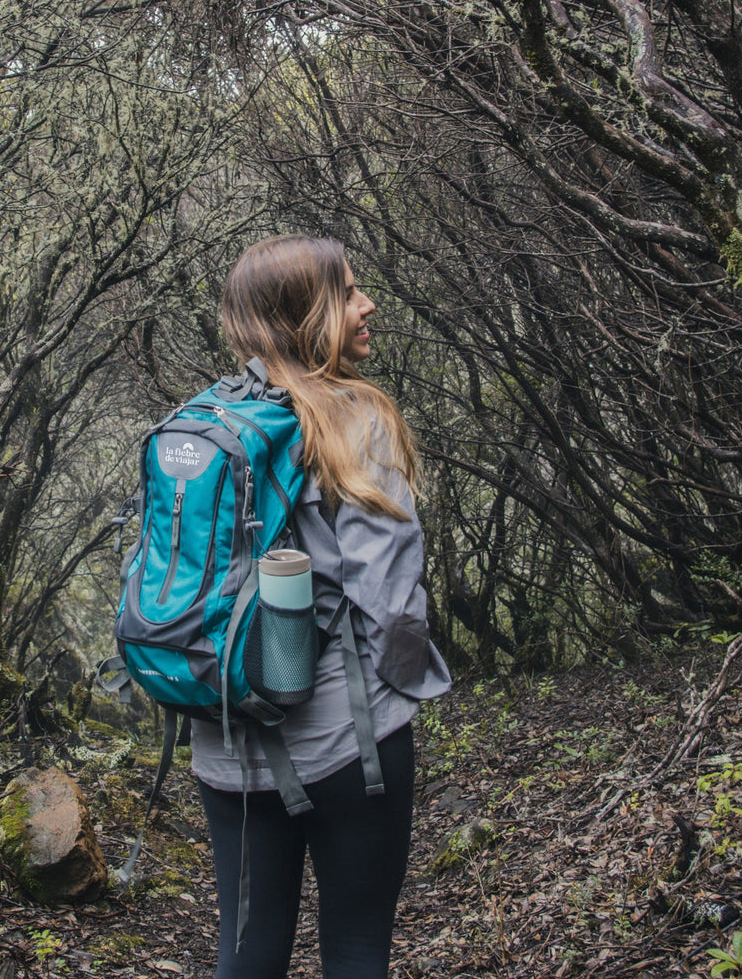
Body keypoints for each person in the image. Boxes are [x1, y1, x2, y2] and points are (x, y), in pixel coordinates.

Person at [191, 234, 452, 979]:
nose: (367, 304)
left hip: (227, 740)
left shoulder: (204, 423)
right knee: (358, 945)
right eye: (347, 293)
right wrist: (407, 690)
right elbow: (391, 603)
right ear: (301, 314)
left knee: (246, 949)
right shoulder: (356, 420)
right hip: (349, 741)